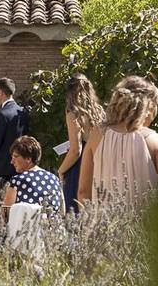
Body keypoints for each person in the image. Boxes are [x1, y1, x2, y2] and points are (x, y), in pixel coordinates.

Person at [78, 76, 158, 204]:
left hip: (104, 222)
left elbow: (83, 192)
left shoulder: (97, 135)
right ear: (148, 106)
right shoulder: (154, 141)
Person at [57, 73, 106, 212]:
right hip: (98, 162)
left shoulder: (73, 113)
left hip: (80, 165)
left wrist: (61, 171)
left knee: (75, 214)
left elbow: (75, 150)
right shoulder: (99, 111)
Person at [2, 136, 62, 215]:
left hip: (26, 226)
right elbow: (62, 211)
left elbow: (6, 215)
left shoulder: (18, 181)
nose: (12, 161)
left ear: (28, 158)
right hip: (52, 226)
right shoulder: (55, 179)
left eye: (15, 156)